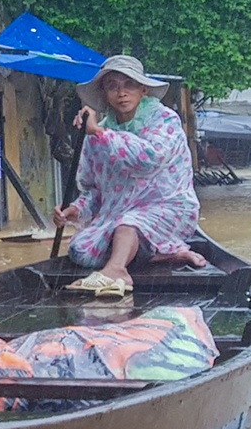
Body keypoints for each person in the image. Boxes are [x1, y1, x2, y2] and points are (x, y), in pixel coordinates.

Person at [53, 54, 205, 299]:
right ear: (104, 93)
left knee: (129, 222)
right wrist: (76, 209)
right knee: (81, 250)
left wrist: (102, 134)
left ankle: (117, 270)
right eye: (113, 86)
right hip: (119, 212)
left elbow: (149, 160)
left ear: (143, 90)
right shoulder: (98, 132)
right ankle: (168, 253)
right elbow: (94, 189)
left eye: (129, 85)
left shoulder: (164, 119)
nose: (121, 93)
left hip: (169, 206)